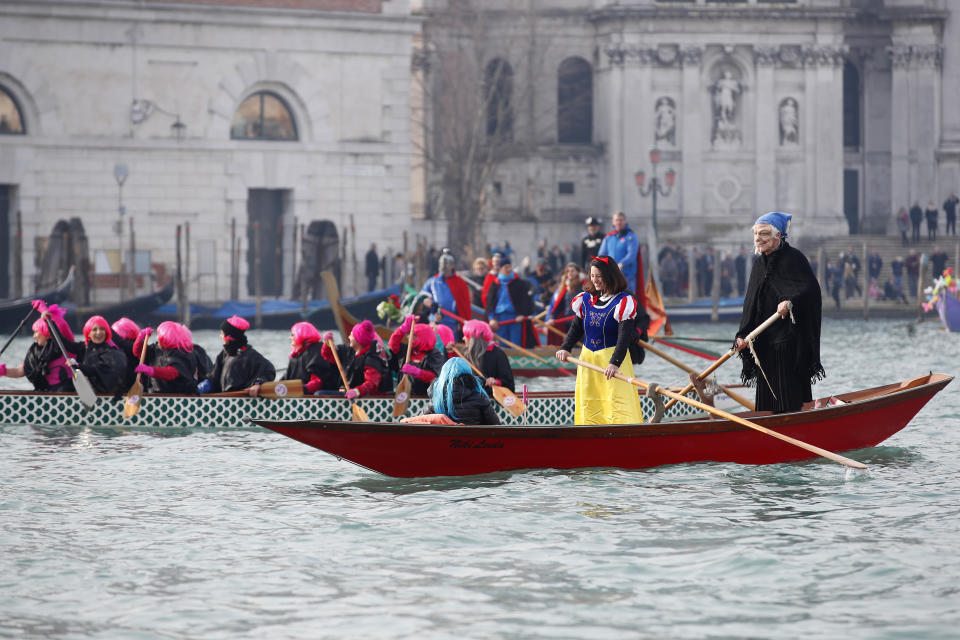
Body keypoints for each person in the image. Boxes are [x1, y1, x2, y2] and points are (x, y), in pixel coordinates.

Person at [734, 212, 823, 414]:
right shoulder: (758, 265)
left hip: (789, 341)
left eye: (764, 233)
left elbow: (810, 290)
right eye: (756, 234)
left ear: (778, 236)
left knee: (789, 399)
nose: (758, 238)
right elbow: (750, 304)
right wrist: (742, 335)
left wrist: (791, 301)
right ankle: (768, 432)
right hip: (763, 341)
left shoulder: (795, 259)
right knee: (766, 404)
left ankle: (795, 425)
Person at [555, 256, 644, 425]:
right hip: (588, 359)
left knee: (617, 403)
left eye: (599, 276)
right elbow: (576, 327)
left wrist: (614, 363)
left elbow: (624, 337)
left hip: (612, 362)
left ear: (610, 276)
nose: (595, 280)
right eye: (592, 275)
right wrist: (565, 347)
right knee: (590, 401)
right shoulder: (586, 299)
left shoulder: (624, 301)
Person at [0, 301, 76, 392]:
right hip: (44, 395)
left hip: (65, 395)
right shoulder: (36, 353)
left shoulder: (67, 347)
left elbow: (61, 325)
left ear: (47, 332)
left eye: (36, 332)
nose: (34, 336)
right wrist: (2, 371)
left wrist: (43, 309)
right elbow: (19, 371)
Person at [45, 314, 129, 396]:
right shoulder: (84, 348)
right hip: (88, 393)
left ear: (106, 332)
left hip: (105, 396)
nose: (99, 332)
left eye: (102, 329)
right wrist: (49, 322)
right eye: (94, 330)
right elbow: (63, 343)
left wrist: (78, 365)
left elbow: (96, 370)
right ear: (88, 334)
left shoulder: (111, 352)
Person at [199, 315, 276, 396]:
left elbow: (269, 369)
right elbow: (213, 378)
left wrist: (257, 384)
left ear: (228, 338)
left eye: (222, 333)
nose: (220, 336)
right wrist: (200, 389)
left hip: (240, 402)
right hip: (223, 399)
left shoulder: (251, 356)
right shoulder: (224, 354)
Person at [320, 320, 393, 398]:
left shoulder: (372, 358)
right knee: (320, 393)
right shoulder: (348, 350)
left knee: (319, 394)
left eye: (351, 335)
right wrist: (328, 344)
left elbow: (372, 383)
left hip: (368, 398)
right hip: (348, 393)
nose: (348, 337)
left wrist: (357, 391)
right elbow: (329, 356)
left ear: (358, 340)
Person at [421, 357, 500, 425]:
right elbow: (496, 426)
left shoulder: (436, 398)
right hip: (472, 442)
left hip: (441, 442)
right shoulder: (479, 397)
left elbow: (419, 423)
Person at [132, 322, 205, 394]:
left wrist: (151, 371)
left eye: (159, 335)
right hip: (156, 393)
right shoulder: (157, 348)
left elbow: (172, 373)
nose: (157, 337)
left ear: (166, 337)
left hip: (178, 395)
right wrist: (140, 338)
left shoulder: (183, 354)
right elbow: (138, 352)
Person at [484, 254, 539, 348]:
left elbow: (525, 301)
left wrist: (522, 314)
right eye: (506, 267)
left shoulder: (519, 283)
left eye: (509, 267)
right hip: (500, 319)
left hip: (515, 318)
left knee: (515, 344)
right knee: (502, 346)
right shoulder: (495, 284)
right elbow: (490, 303)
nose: (509, 269)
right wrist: (492, 318)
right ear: (501, 269)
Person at [388, 315, 445, 396]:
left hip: (424, 397)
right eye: (409, 335)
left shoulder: (435, 355)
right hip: (404, 394)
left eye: (413, 336)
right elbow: (393, 344)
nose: (408, 338)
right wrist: (402, 329)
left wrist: (417, 372)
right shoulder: (407, 350)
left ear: (423, 337)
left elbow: (435, 377)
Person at [420, 249, 472, 338]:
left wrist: (460, 321)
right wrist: (431, 304)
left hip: (452, 323)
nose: (444, 267)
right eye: (442, 264)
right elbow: (423, 296)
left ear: (452, 265)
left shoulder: (460, 283)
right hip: (435, 321)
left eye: (446, 264)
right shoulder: (432, 281)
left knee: (450, 347)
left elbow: (464, 305)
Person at [462, 319, 514, 397]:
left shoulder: (498, 354)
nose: (463, 338)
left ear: (473, 339)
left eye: (466, 335)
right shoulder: (464, 354)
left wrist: (496, 382)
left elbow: (509, 383)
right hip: (471, 397)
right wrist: (450, 353)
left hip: (490, 398)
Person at [286, 321, 341, 395]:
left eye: (292, 334)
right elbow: (286, 379)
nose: (290, 337)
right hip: (299, 394)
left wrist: (299, 389)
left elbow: (318, 383)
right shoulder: (296, 356)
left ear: (302, 334)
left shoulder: (317, 351)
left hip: (320, 395)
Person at [598, 211, 640, 293]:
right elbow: (602, 254)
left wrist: (622, 263)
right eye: (616, 220)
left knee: (627, 297)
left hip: (626, 274)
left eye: (621, 220)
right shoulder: (608, 237)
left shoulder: (631, 236)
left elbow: (632, 254)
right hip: (611, 274)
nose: (619, 222)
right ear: (613, 222)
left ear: (625, 221)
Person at [545, 263, 583, 346]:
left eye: (572, 271)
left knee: (580, 345)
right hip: (567, 322)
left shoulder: (583, 286)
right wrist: (552, 317)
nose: (570, 273)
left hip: (580, 322)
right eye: (568, 271)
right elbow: (560, 305)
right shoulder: (565, 287)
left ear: (578, 272)